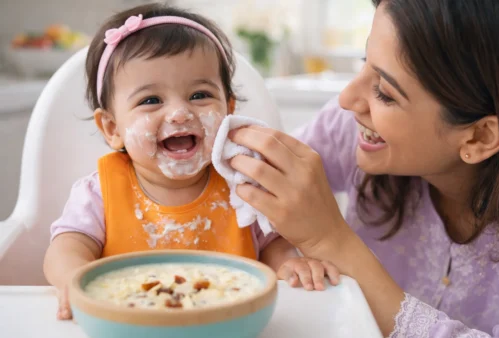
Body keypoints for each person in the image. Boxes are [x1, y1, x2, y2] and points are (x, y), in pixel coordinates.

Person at [228, 0, 499, 336]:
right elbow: (237, 197)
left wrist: (331, 242)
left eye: (385, 93)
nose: (347, 99)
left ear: (480, 137)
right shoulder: (355, 130)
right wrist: (280, 251)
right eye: (364, 64)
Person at [42, 3, 339, 321]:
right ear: (113, 129)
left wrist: (289, 264)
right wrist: (74, 279)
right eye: (151, 100)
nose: (180, 113)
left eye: (199, 95)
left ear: (228, 111)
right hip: (130, 322)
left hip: (225, 321)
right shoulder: (100, 191)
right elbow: (66, 248)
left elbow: (272, 245)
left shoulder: (243, 185)